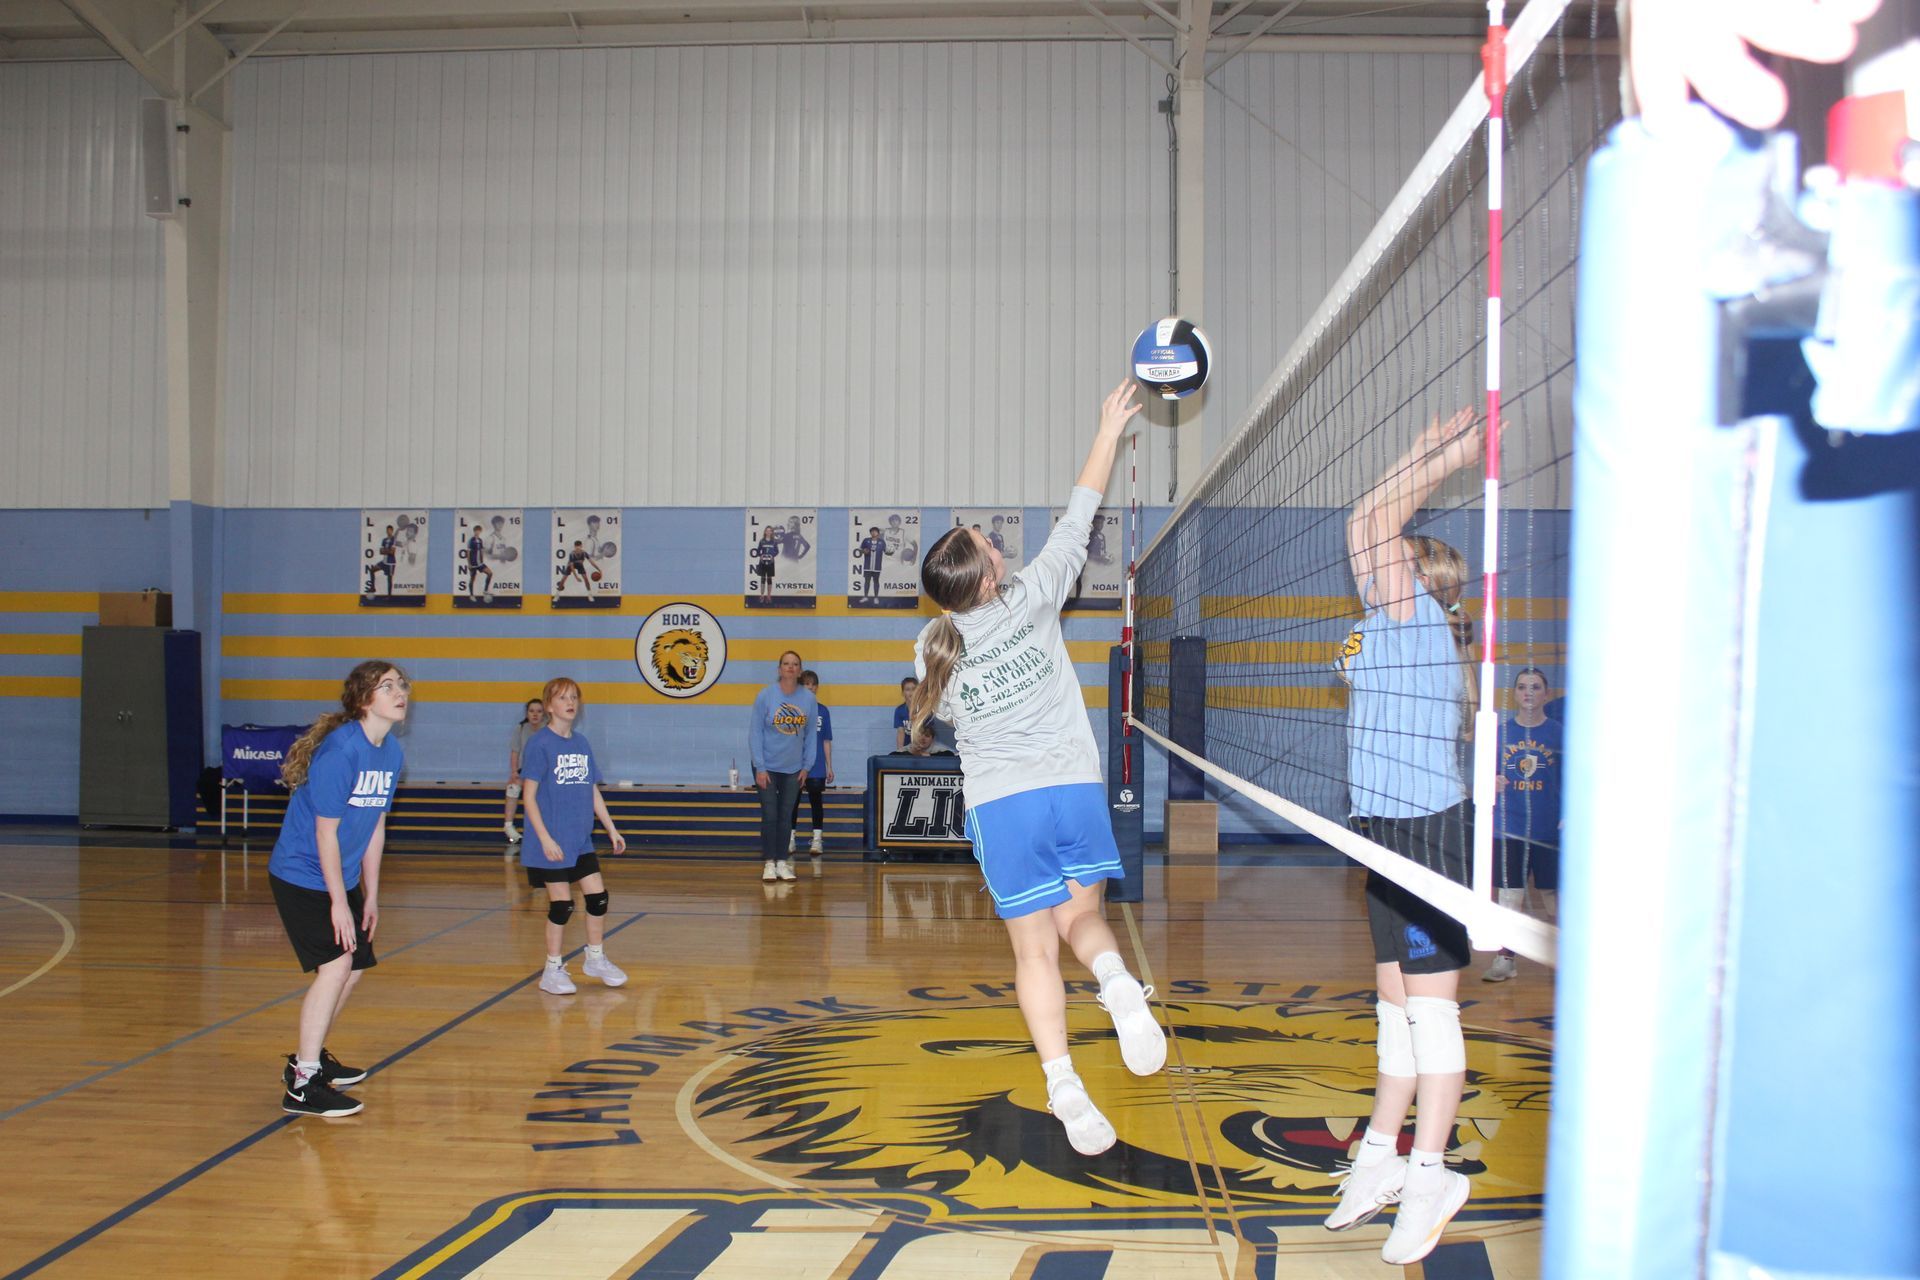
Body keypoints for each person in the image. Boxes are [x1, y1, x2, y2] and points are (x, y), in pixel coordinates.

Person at [909, 380, 1165, 1158]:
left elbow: (944, 716)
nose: (991, 540)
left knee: (1032, 952)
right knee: (1082, 921)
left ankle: (1066, 1090)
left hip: (1004, 805)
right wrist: (1110, 429)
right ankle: (1117, 982)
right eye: (983, 542)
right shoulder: (1037, 593)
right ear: (988, 573)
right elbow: (1081, 508)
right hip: (1072, 790)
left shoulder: (930, 648)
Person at [1325, 408, 1483, 1265]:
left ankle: (1433, 1172)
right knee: (1395, 1010)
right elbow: (1368, 525)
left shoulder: (1414, 619)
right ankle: (1381, 1158)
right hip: (1381, 836)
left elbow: (1369, 522)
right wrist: (1420, 453)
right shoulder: (1383, 625)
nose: (1367, 565)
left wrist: (1442, 459)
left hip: (1427, 837)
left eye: (1385, 562)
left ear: (1414, 578)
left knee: (1432, 1017)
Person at [269, 660, 408, 1118]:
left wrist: (369, 896)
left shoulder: (390, 752)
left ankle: (309, 1059)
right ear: (364, 700)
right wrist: (337, 904)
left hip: (340, 876)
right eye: (388, 686)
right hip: (301, 872)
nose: (400, 692)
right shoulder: (340, 752)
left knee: (356, 965)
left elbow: (374, 826)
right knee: (336, 963)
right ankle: (303, 1084)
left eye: (402, 685)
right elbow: (325, 834)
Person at [519, 677, 629, 995]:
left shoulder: (581, 743)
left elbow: (591, 789)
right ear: (549, 705)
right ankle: (552, 970)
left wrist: (611, 828)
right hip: (550, 843)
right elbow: (528, 797)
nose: (570, 702)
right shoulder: (540, 744)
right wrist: (545, 839)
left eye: (574, 697)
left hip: (579, 840)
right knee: (562, 906)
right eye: (563, 697)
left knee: (598, 898)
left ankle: (594, 958)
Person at [1483, 668, 1563, 982]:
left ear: (1546, 692)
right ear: (1514, 693)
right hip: (1509, 827)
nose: (1528, 692)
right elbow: (1482, 778)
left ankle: (1559, 955)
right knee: (1509, 895)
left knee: (1552, 895)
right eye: (1522, 687)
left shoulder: (1558, 733)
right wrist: (1492, 781)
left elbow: (1573, 778)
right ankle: (1505, 959)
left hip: (1547, 829)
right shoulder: (1501, 732)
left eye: (1535, 687)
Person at [750, 650, 818, 882]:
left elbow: (811, 736)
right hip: (766, 766)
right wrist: (760, 767)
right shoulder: (766, 696)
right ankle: (769, 863)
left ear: (799, 670)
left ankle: (782, 862)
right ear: (779, 669)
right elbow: (755, 733)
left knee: (786, 816)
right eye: (786, 664)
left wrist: (807, 767)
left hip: (794, 769)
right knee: (770, 814)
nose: (790, 667)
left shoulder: (808, 699)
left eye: (795, 664)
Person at [789, 669, 835, 864]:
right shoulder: (793, 711)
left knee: (816, 802)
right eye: (807, 684)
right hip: (796, 765)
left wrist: (829, 766)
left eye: (813, 684)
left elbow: (826, 740)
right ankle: (790, 839)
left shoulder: (823, 711)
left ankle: (817, 840)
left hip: (816, 766)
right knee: (792, 803)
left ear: (817, 688)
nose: (810, 687)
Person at [504, 697, 545, 842]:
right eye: (532, 711)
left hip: (545, 772)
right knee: (512, 787)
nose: (535, 714)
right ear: (527, 713)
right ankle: (508, 826)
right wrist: (514, 772)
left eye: (539, 711)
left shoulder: (549, 729)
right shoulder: (520, 728)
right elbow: (515, 751)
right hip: (526, 771)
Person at [857, 525, 886, 605]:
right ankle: (865, 596)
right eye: (872, 531)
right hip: (867, 566)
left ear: (878, 533)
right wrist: (864, 551)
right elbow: (860, 550)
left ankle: (876, 597)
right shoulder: (866, 540)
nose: (873, 532)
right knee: (867, 581)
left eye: (875, 531)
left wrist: (891, 551)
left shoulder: (882, 542)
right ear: (870, 533)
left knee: (876, 581)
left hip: (877, 566)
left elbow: (886, 552)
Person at [367, 525, 397, 596]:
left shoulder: (394, 540)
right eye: (387, 530)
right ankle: (373, 587)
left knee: (389, 580)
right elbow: (381, 552)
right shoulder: (384, 540)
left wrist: (386, 550)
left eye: (390, 530)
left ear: (392, 531)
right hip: (384, 562)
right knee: (372, 570)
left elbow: (392, 552)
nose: (388, 531)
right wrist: (388, 550)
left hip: (390, 563)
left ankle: (389, 596)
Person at [752, 527, 780, 604]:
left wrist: (772, 556)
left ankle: (768, 596)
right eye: (767, 530)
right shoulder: (762, 541)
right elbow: (758, 551)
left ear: (771, 532)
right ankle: (761, 595)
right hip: (763, 562)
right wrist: (760, 555)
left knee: (769, 579)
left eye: (769, 531)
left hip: (770, 562)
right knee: (763, 578)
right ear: (765, 532)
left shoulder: (774, 542)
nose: (768, 532)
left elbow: (777, 551)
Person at [466, 526, 494, 601]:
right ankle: (471, 595)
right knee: (472, 579)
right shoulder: (471, 540)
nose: (477, 532)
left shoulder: (480, 540)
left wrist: (484, 558)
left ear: (480, 532)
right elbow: (468, 552)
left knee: (490, 573)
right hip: (473, 563)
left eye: (479, 531)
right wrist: (469, 564)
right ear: (474, 531)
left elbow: (482, 550)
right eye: (476, 531)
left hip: (480, 563)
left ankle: (485, 591)